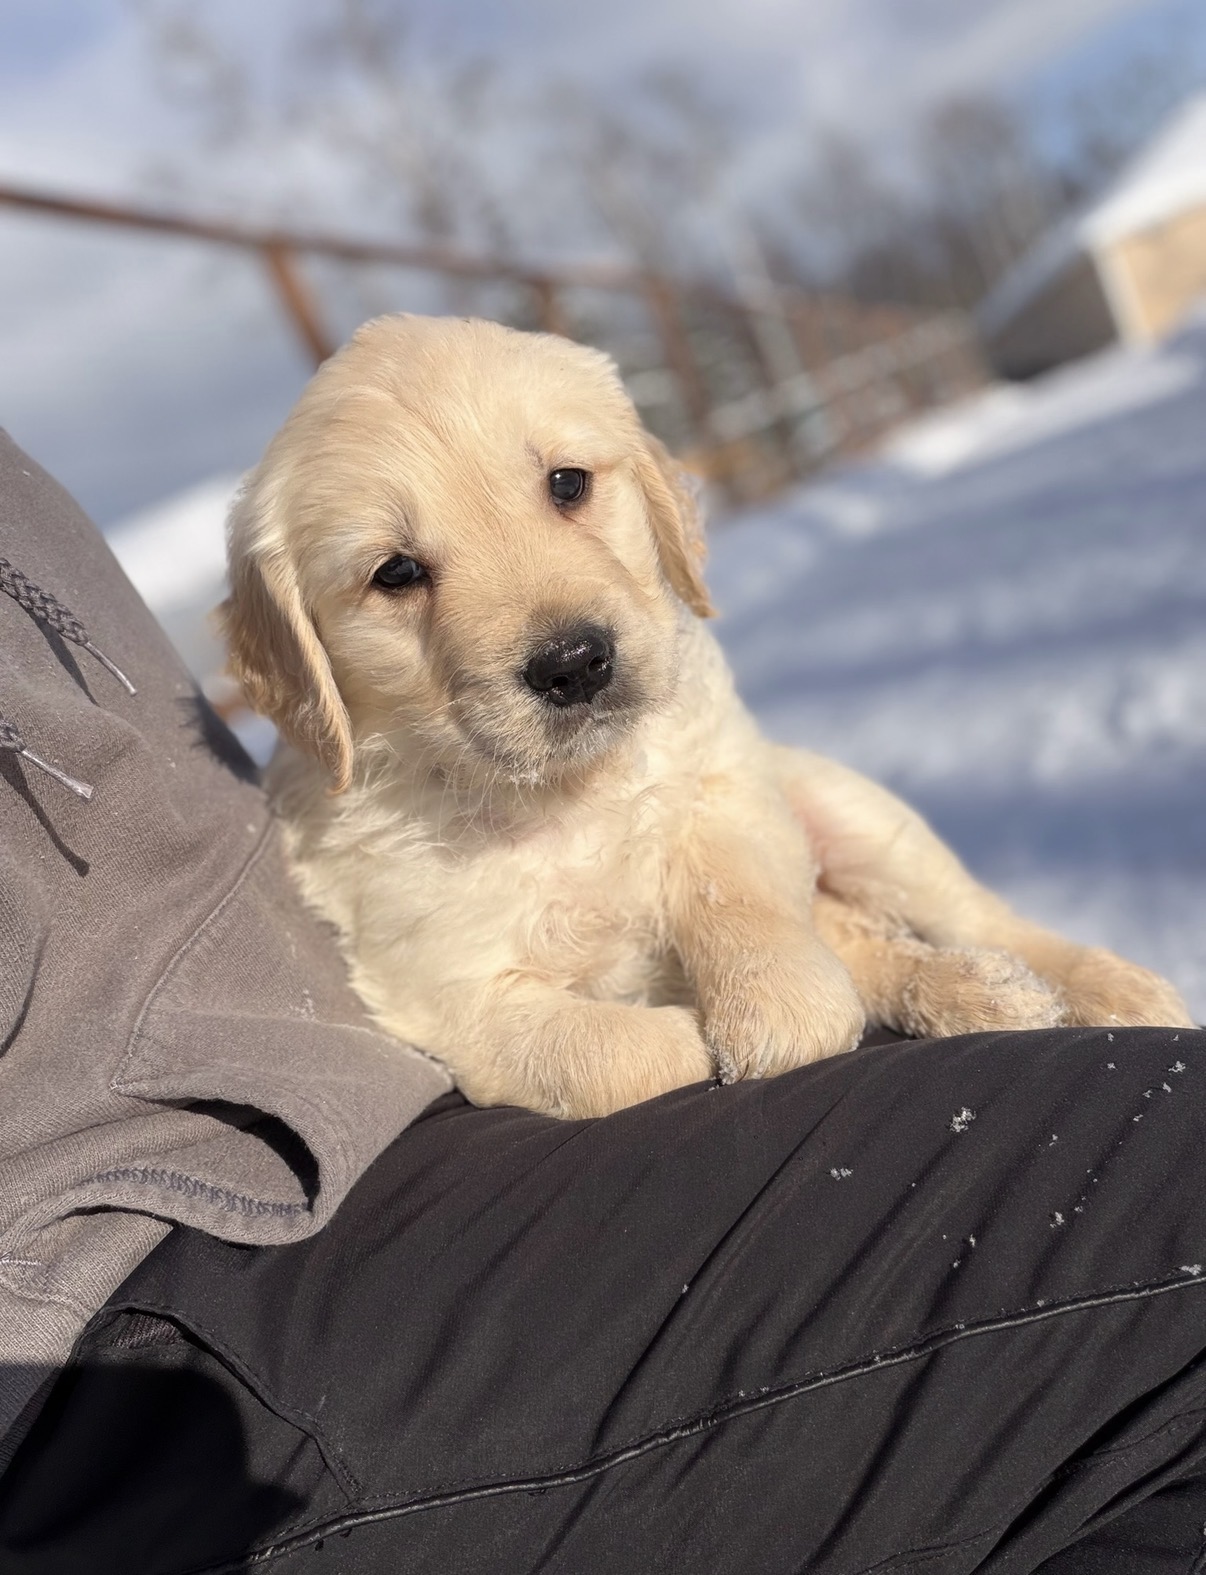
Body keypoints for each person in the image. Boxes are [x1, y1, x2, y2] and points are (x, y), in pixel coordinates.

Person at [0, 425, 1203, 1575]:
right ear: (303, 659)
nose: (553, 623)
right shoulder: (377, 814)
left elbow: (735, 822)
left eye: (568, 487)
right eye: (402, 574)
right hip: (141, 1285)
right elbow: (492, 1019)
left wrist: (877, 956)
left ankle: (996, 943)